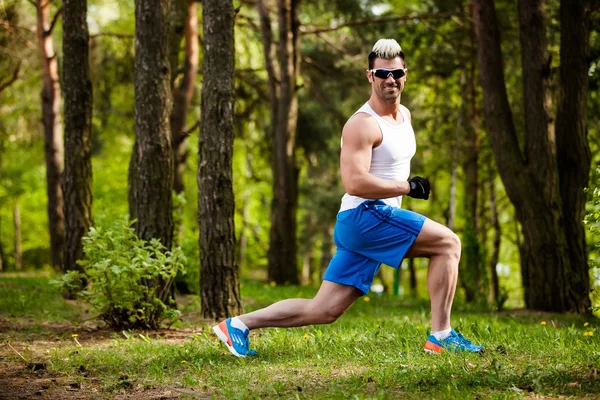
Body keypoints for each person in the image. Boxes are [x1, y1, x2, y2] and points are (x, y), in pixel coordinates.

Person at [213, 38, 483, 357]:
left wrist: (402, 188)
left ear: (405, 74)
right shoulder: (361, 124)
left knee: (325, 309)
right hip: (365, 215)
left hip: (367, 223)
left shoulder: (405, 116)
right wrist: (407, 187)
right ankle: (441, 336)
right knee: (448, 244)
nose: (390, 79)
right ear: (370, 76)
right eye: (382, 73)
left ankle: (238, 325)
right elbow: (354, 182)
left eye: (396, 72)